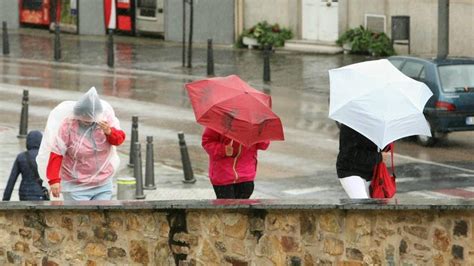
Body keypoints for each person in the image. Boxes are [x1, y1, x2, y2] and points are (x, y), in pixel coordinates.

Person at [38, 87, 125, 200]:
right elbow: (57, 152)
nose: (87, 121)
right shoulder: (68, 126)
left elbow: (118, 140)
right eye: (84, 118)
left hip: (102, 182)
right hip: (76, 186)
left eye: (91, 119)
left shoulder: (105, 121)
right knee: (80, 217)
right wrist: (54, 180)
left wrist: (109, 132)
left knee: (100, 216)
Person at [201, 127, 269, 199]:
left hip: (246, 175)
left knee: (242, 208)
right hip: (223, 175)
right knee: (228, 208)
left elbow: (263, 146)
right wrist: (223, 149)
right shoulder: (219, 122)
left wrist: (260, 135)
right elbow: (207, 142)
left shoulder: (255, 124)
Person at [336, 123, 390, 199]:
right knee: (362, 204)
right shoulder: (349, 125)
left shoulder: (377, 124)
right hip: (350, 171)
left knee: (372, 207)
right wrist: (378, 157)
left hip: (371, 172)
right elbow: (349, 154)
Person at [3, 131, 48, 201]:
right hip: (41, 193)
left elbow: (12, 180)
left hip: (24, 194)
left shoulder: (21, 157)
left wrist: (5, 200)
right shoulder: (45, 157)